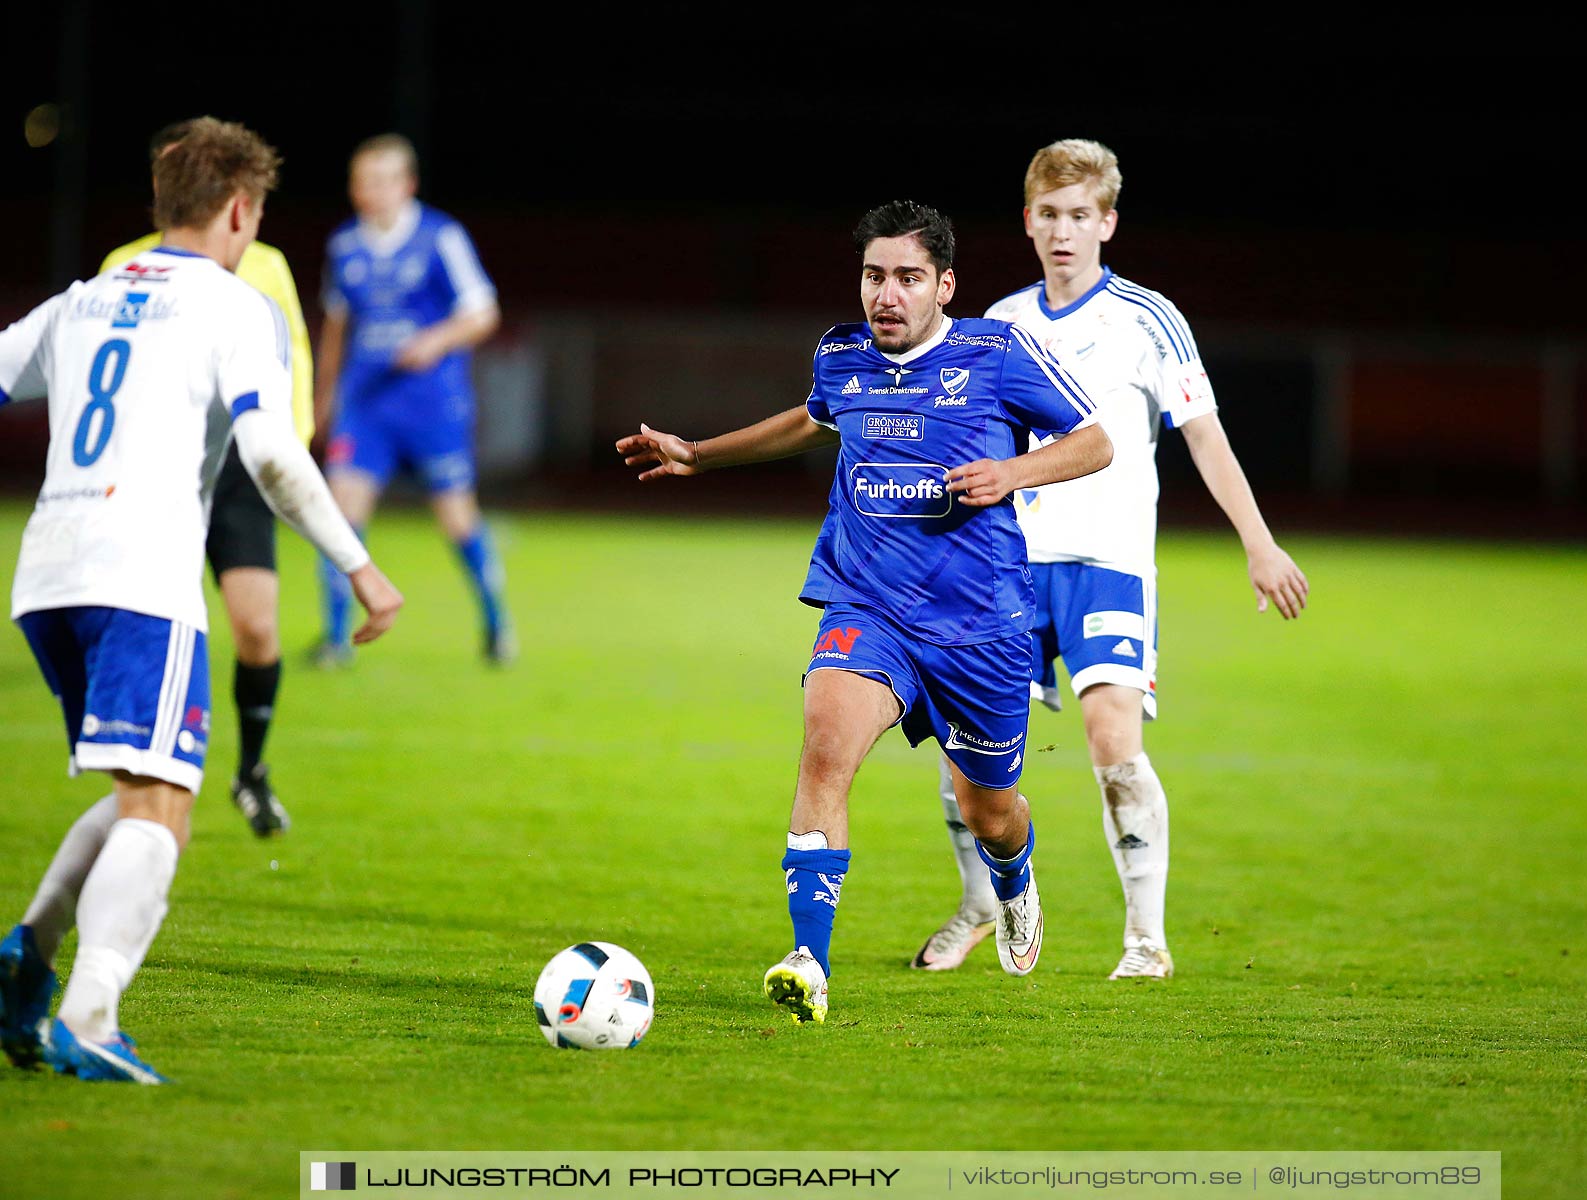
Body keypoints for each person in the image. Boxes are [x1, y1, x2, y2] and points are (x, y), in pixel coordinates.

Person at [618, 200, 1113, 1024]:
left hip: (982, 626)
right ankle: (809, 958)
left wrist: (1012, 475)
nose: (887, 294)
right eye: (874, 276)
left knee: (991, 809)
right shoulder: (841, 354)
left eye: (908, 278)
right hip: (867, 605)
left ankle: (1014, 872)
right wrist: (699, 455)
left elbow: (1095, 441)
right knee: (825, 750)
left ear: (944, 285)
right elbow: (813, 420)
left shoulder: (994, 354)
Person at [0, 118, 402, 1083]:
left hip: (48, 576)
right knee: (159, 806)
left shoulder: (82, 299)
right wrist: (358, 563)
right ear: (237, 210)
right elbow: (269, 451)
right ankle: (91, 1017)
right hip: (141, 577)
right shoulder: (232, 305)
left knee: (145, 787)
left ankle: (29, 957)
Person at [910, 139, 1309, 981]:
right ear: (1028, 221)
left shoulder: (1147, 319)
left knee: (1111, 741)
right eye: (1049, 215)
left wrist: (1259, 540)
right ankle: (982, 902)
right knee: (964, 759)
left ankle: (1145, 940)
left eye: (1080, 216)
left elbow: (1205, 435)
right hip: (1008, 570)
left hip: (1109, 562)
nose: (1064, 232)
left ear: (1108, 222)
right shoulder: (1002, 325)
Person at [99, 120, 317, 838]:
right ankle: (144, 785)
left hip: (238, 474)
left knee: (257, 630)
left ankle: (249, 771)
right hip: (156, 480)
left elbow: (296, 362)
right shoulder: (124, 265)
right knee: (162, 631)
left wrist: (297, 448)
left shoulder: (265, 265)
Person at [311, 134, 512, 666]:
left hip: (431, 404)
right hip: (367, 404)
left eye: (380, 181)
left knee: (457, 520)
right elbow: (336, 326)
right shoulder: (344, 246)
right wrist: (322, 398)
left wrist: (435, 341)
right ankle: (336, 640)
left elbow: (483, 313)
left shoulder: (440, 237)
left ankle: (496, 622)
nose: (369, 192)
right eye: (361, 182)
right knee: (338, 514)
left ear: (408, 185)